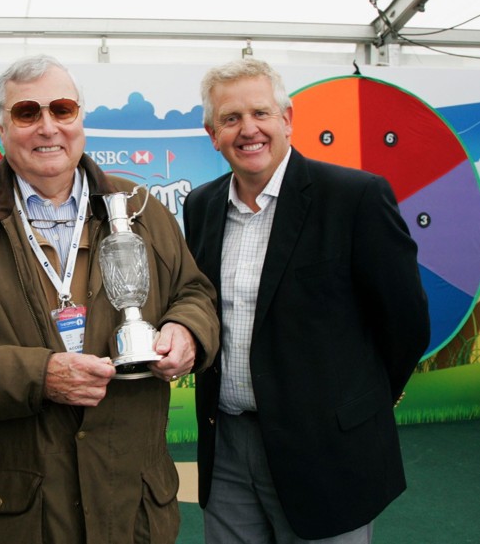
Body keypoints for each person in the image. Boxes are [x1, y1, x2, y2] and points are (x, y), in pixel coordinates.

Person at [0, 54, 220, 544]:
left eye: (61, 110)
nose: (47, 127)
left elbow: (193, 292)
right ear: (2, 128)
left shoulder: (142, 210)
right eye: (27, 113)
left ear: (80, 120)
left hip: (130, 506)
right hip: (12, 514)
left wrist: (188, 331)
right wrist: (38, 376)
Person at [183, 58, 431, 543]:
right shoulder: (201, 206)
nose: (248, 129)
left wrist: (357, 406)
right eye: (231, 119)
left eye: (261, 113)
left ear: (288, 119)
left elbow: (405, 323)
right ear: (213, 134)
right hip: (228, 447)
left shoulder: (355, 198)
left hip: (328, 452)